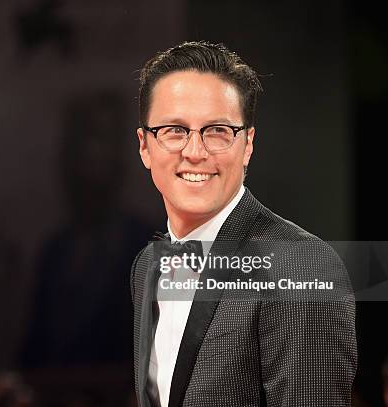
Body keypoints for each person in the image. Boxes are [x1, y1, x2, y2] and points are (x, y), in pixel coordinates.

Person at [130, 40, 357, 407]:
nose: (195, 151)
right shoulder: (146, 267)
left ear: (248, 143)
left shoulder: (299, 266)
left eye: (217, 130)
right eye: (174, 130)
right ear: (144, 146)